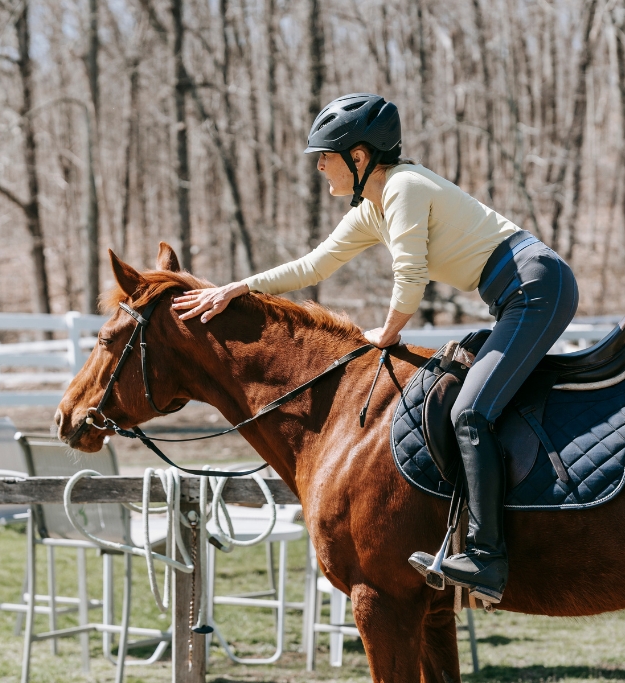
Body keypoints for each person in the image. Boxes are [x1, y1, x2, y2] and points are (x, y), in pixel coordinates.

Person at [171, 92, 579, 604]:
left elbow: (410, 275)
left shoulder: (404, 187)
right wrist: (238, 287)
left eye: (326, 155)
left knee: (471, 412)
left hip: (536, 287)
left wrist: (384, 336)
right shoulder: (372, 207)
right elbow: (313, 266)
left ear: (359, 158)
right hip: (516, 295)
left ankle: (487, 556)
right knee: (462, 397)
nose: (319, 166)